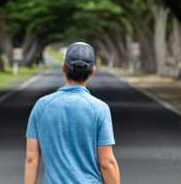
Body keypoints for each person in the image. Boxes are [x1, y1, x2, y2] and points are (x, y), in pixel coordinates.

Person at [24, 42, 120, 184]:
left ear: (63, 67)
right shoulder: (99, 109)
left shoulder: (41, 106)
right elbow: (107, 163)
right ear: (92, 71)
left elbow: (31, 158)